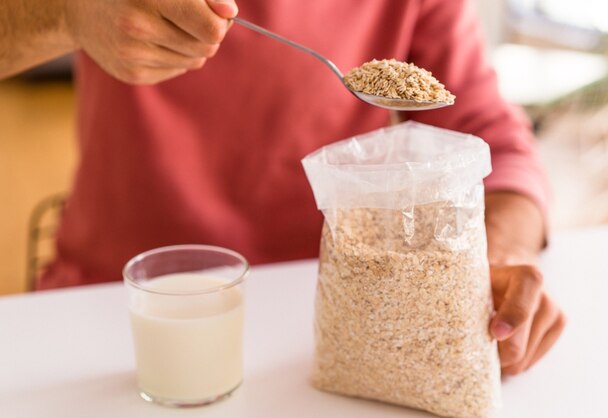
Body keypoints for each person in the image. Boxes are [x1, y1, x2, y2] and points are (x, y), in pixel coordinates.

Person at [0, 0, 565, 375]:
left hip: (330, 327)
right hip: (114, 307)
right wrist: (68, 15)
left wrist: (496, 256)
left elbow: (499, 145)